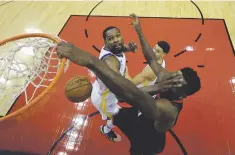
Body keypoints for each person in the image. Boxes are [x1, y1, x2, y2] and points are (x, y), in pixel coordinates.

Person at [56, 14, 201, 154]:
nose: (171, 80)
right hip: (142, 115)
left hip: (148, 140)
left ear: (182, 94)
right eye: (174, 76)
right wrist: (139, 32)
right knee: (115, 114)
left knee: (136, 149)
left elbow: (129, 95)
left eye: (176, 82)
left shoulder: (168, 110)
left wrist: (91, 61)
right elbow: (151, 59)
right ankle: (107, 129)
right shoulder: (168, 79)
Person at [90, 26, 138, 142]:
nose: (116, 40)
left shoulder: (113, 48)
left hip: (104, 90)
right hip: (105, 98)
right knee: (115, 118)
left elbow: (121, 48)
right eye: (111, 38)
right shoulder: (109, 61)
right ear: (105, 42)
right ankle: (105, 130)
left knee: (116, 114)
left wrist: (129, 49)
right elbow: (120, 89)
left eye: (118, 36)